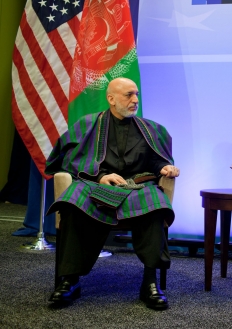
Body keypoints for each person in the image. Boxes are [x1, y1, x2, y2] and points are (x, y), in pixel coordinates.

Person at [45, 78, 180, 310]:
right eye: (129, 95)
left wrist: (164, 168)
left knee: (156, 206)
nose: (135, 100)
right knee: (72, 204)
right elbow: (69, 159)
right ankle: (69, 281)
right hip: (95, 185)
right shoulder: (87, 125)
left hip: (136, 189)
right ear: (111, 99)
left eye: (136, 94)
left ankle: (150, 283)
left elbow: (156, 158)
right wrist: (99, 176)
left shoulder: (150, 129)